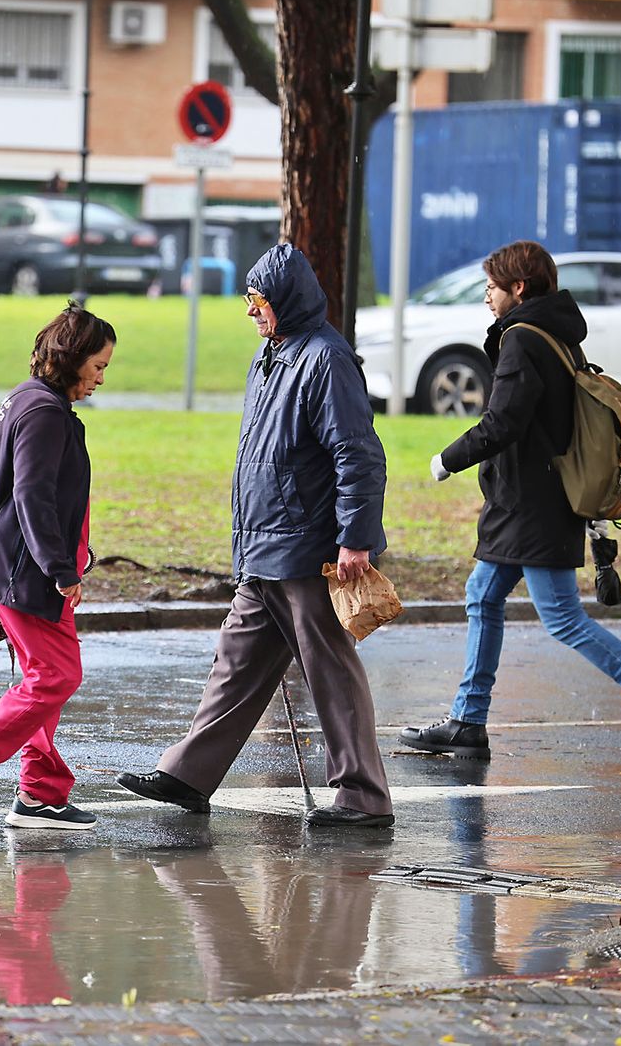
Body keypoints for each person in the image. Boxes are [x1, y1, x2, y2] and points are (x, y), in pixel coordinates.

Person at [399, 240, 621, 773]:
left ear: (518, 288)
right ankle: (468, 720)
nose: (486, 296)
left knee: (564, 619)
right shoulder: (556, 333)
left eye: (492, 287)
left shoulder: (523, 338)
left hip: (532, 504)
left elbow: (504, 422)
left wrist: (447, 460)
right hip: (532, 498)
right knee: (482, 595)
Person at [116, 243, 395, 828]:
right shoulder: (272, 355)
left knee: (329, 669)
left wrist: (355, 538)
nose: (249, 310)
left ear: (284, 300)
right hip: (265, 544)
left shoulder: (326, 359)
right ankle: (188, 775)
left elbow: (358, 455)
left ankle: (363, 797)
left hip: (308, 547)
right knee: (236, 663)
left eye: (257, 300)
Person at [0, 302, 115, 830]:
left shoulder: (28, 400)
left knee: (42, 677)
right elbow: (32, 495)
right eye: (98, 366)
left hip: (19, 567)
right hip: (27, 572)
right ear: (73, 357)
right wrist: (61, 569)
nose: (101, 378)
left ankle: (40, 794)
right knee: (57, 675)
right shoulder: (43, 413)